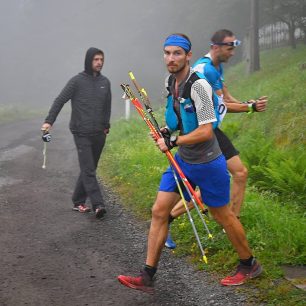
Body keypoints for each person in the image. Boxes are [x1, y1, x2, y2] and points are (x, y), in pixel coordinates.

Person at [117, 33, 262, 292]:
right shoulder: (170, 82)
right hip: (182, 161)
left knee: (223, 216)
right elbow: (179, 123)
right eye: (167, 53)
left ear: (188, 56)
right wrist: (165, 131)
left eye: (177, 53)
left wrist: (172, 142)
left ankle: (249, 263)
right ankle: (147, 276)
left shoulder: (199, 86)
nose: (171, 58)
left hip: (208, 162)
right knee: (159, 211)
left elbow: (207, 131)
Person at [165, 29, 268, 249]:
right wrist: (249, 108)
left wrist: (248, 105)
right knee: (226, 177)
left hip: (210, 130)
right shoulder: (205, 70)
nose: (232, 53)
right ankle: (224, 223)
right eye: (230, 48)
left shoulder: (216, 68)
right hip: (205, 133)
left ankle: (228, 222)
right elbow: (218, 107)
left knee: (235, 175)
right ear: (216, 47)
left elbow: (226, 100)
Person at [41, 47, 111, 219]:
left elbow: (107, 106)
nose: (99, 62)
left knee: (90, 168)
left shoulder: (105, 82)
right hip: (81, 132)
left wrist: (106, 125)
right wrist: (49, 121)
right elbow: (60, 100)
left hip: (99, 133)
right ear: (88, 61)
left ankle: (78, 200)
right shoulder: (76, 81)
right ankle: (98, 204)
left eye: (101, 59)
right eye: (96, 59)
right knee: (88, 170)